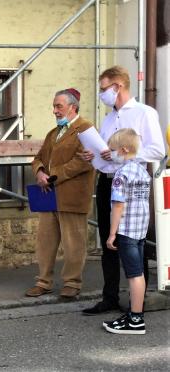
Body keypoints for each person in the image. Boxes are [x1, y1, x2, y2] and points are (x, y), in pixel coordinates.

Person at [80, 66, 165, 315]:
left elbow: (157, 150)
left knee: (132, 240)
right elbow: (106, 154)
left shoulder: (143, 113)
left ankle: (136, 303)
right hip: (107, 180)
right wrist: (93, 155)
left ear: (118, 86)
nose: (101, 93)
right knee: (109, 240)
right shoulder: (108, 119)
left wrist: (118, 154)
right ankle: (110, 297)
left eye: (104, 88)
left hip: (131, 182)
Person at [25, 88, 95, 298]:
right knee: (45, 241)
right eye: (54, 106)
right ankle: (43, 281)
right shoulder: (53, 133)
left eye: (59, 106)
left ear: (72, 107)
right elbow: (38, 158)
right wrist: (39, 172)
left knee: (74, 243)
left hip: (72, 196)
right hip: (49, 195)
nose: (54, 110)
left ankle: (72, 283)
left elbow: (83, 162)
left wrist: (52, 175)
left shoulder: (86, 129)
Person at [102, 128, 150, 334]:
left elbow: (118, 205)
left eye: (112, 150)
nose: (110, 153)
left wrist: (112, 233)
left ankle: (136, 319)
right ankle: (135, 313)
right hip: (140, 230)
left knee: (134, 274)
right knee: (138, 272)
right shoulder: (142, 171)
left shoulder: (121, 174)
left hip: (127, 231)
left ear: (122, 149)